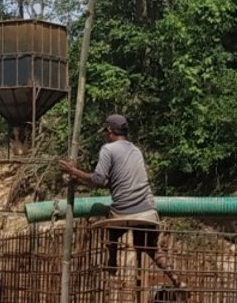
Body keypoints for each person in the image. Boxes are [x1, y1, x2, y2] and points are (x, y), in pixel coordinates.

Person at [57, 113, 179, 286]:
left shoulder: (108, 149)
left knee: (112, 231)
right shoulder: (136, 150)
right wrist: (79, 179)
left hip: (124, 210)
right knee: (151, 248)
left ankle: (112, 263)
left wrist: (73, 171)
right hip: (147, 210)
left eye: (105, 132)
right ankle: (175, 278)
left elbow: (98, 180)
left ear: (110, 131)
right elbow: (111, 181)